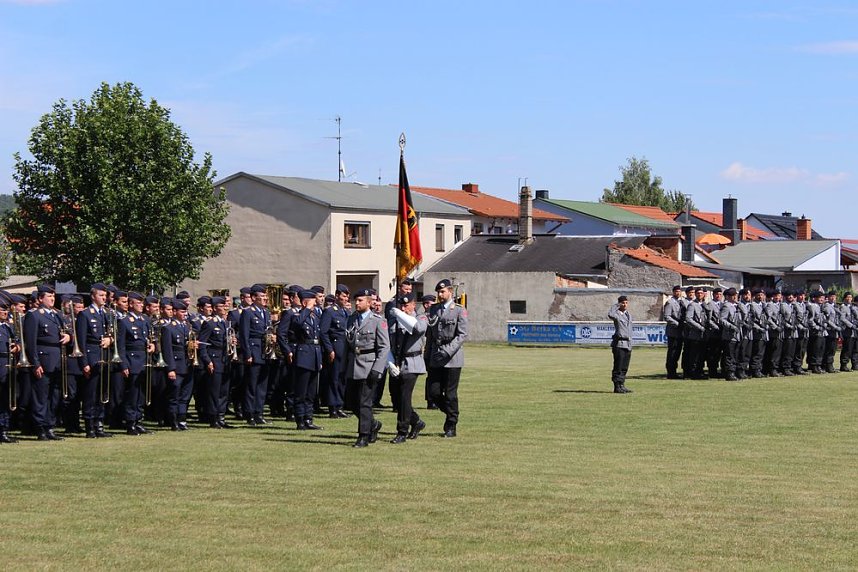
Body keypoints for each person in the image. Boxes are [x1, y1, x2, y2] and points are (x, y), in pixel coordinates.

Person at [25, 284, 72, 441]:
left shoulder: (56, 315)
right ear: (40, 298)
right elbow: (30, 343)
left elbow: (67, 331)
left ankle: (50, 425)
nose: (52, 299)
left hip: (58, 359)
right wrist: (35, 363)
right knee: (41, 395)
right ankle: (40, 428)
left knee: (54, 395)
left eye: (53, 296)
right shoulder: (34, 315)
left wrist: (69, 337)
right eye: (49, 296)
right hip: (43, 359)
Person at [346, 288, 389, 447]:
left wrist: (377, 368)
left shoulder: (378, 321)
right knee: (350, 402)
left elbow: (384, 347)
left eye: (360, 300)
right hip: (353, 366)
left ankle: (363, 435)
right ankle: (372, 424)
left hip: (369, 365)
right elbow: (348, 342)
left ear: (369, 303)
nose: (356, 303)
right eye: (355, 300)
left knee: (365, 402)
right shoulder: (351, 319)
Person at [426, 278, 468, 438]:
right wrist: (427, 355)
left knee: (450, 394)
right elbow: (430, 334)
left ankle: (451, 424)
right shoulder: (433, 310)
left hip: (452, 357)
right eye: (438, 292)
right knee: (434, 393)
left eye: (443, 291)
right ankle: (452, 412)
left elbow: (462, 334)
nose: (440, 294)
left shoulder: (459, 310)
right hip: (436, 355)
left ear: (450, 292)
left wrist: (448, 351)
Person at [388, 291, 428, 442]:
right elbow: (390, 342)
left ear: (413, 305)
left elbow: (418, 328)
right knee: (397, 399)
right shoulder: (396, 320)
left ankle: (402, 432)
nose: (404, 308)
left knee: (405, 397)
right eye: (402, 306)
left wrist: (400, 315)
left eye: (407, 305)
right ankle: (416, 422)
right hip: (398, 362)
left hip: (412, 362)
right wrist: (390, 362)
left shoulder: (421, 317)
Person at [75, 283, 114, 438]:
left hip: (104, 357)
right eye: (100, 295)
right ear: (93, 296)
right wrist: (84, 363)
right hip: (92, 358)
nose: (103, 298)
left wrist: (110, 340)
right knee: (90, 395)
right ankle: (89, 426)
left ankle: (99, 424)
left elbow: (111, 333)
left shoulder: (105, 313)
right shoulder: (85, 314)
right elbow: (81, 341)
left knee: (102, 393)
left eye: (105, 296)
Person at [116, 292, 154, 435]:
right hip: (132, 360)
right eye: (138, 303)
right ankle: (130, 422)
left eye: (142, 303)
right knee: (132, 394)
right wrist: (124, 364)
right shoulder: (124, 321)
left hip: (143, 359)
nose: (142, 305)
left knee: (141, 394)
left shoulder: (144, 320)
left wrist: (152, 346)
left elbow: (147, 339)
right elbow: (121, 346)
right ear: (131, 304)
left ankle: (138, 420)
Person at [290, 290, 324, 430]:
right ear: (305, 302)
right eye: (312, 301)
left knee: (311, 392)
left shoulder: (314, 317)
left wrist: (320, 358)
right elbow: (297, 324)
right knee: (301, 391)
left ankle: (308, 419)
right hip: (304, 355)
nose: (315, 303)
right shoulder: (298, 315)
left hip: (315, 354)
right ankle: (300, 419)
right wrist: (307, 308)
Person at [198, 296, 232, 428]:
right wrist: (208, 361)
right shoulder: (210, 323)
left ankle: (221, 416)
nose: (224, 308)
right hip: (214, 358)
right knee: (214, 391)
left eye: (225, 306)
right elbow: (202, 344)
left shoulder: (225, 323)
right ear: (214, 308)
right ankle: (213, 417)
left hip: (225, 359)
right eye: (221, 306)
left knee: (224, 391)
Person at [608, 295, 633, 393]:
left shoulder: (628, 314)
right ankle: (617, 386)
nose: (625, 304)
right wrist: (616, 305)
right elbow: (610, 314)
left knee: (624, 367)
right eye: (623, 303)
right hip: (619, 343)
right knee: (618, 366)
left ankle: (622, 384)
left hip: (628, 344)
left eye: (626, 302)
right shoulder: (616, 314)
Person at [662, 285, 684, 379]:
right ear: (673, 292)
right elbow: (667, 316)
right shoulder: (670, 302)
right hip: (673, 331)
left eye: (679, 291)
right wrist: (677, 324)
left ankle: (674, 371)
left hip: (680, 332)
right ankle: (671, 372)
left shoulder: (681, 302)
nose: (678, 293)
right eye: (676, 291)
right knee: (672, 352)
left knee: (677, 352)